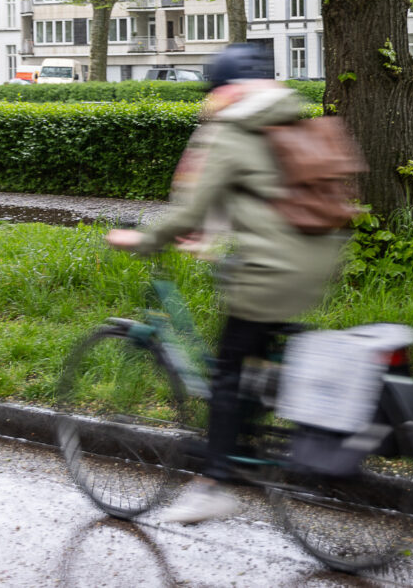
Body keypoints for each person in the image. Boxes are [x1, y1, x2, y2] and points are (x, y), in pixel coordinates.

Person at [105, 43, 349, 524]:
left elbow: (194, 208)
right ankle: (253, 436)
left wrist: (144, 239)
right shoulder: (289, 116)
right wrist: (211, 237)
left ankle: (214, 483)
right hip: (321, 259)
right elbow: (260, 194)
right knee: (254, 352)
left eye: (212, 92)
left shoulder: (234, 129)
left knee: (226, 372)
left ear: (224, 90)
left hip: (271, 270)